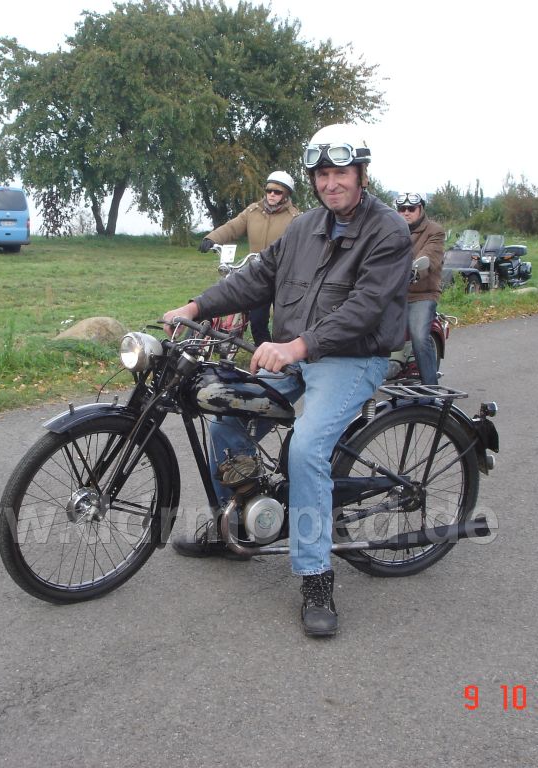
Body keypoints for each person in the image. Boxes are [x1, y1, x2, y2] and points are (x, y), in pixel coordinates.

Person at [164, 124, 413, 637]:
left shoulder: (388, 230)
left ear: (361, 174)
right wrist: (196, 307)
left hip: (352, 359)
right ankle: (237, 522)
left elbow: (365, 308)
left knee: (306, 449)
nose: (331, 183)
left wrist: (296, 346)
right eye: (322, 175)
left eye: (340, 173)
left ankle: (316, 576)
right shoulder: (304, 227)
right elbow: (257, 276)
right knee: (226, 414)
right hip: (296, 356)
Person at [197, 171, 300, 346]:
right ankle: (261, 351)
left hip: (283, 275)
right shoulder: (253, 211)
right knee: (257, 319)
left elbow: (300, 244)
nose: (272, 195)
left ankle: (283, 354)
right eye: (269, 190)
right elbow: (233, 227)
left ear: (286, 194)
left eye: (277, 192)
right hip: (259, 274)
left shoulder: (294, 218)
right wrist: (212, 238)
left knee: (283, 322)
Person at [395, 193, 444, 384]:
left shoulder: (434, 231)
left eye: (411, 209)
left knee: (419, 336)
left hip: (422, 293)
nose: (406, 213)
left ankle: (431, 389)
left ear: (421, 209)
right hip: (394, 292)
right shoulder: (391, 230)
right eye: (402, 209)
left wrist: (412, 272)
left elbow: (429, 256)